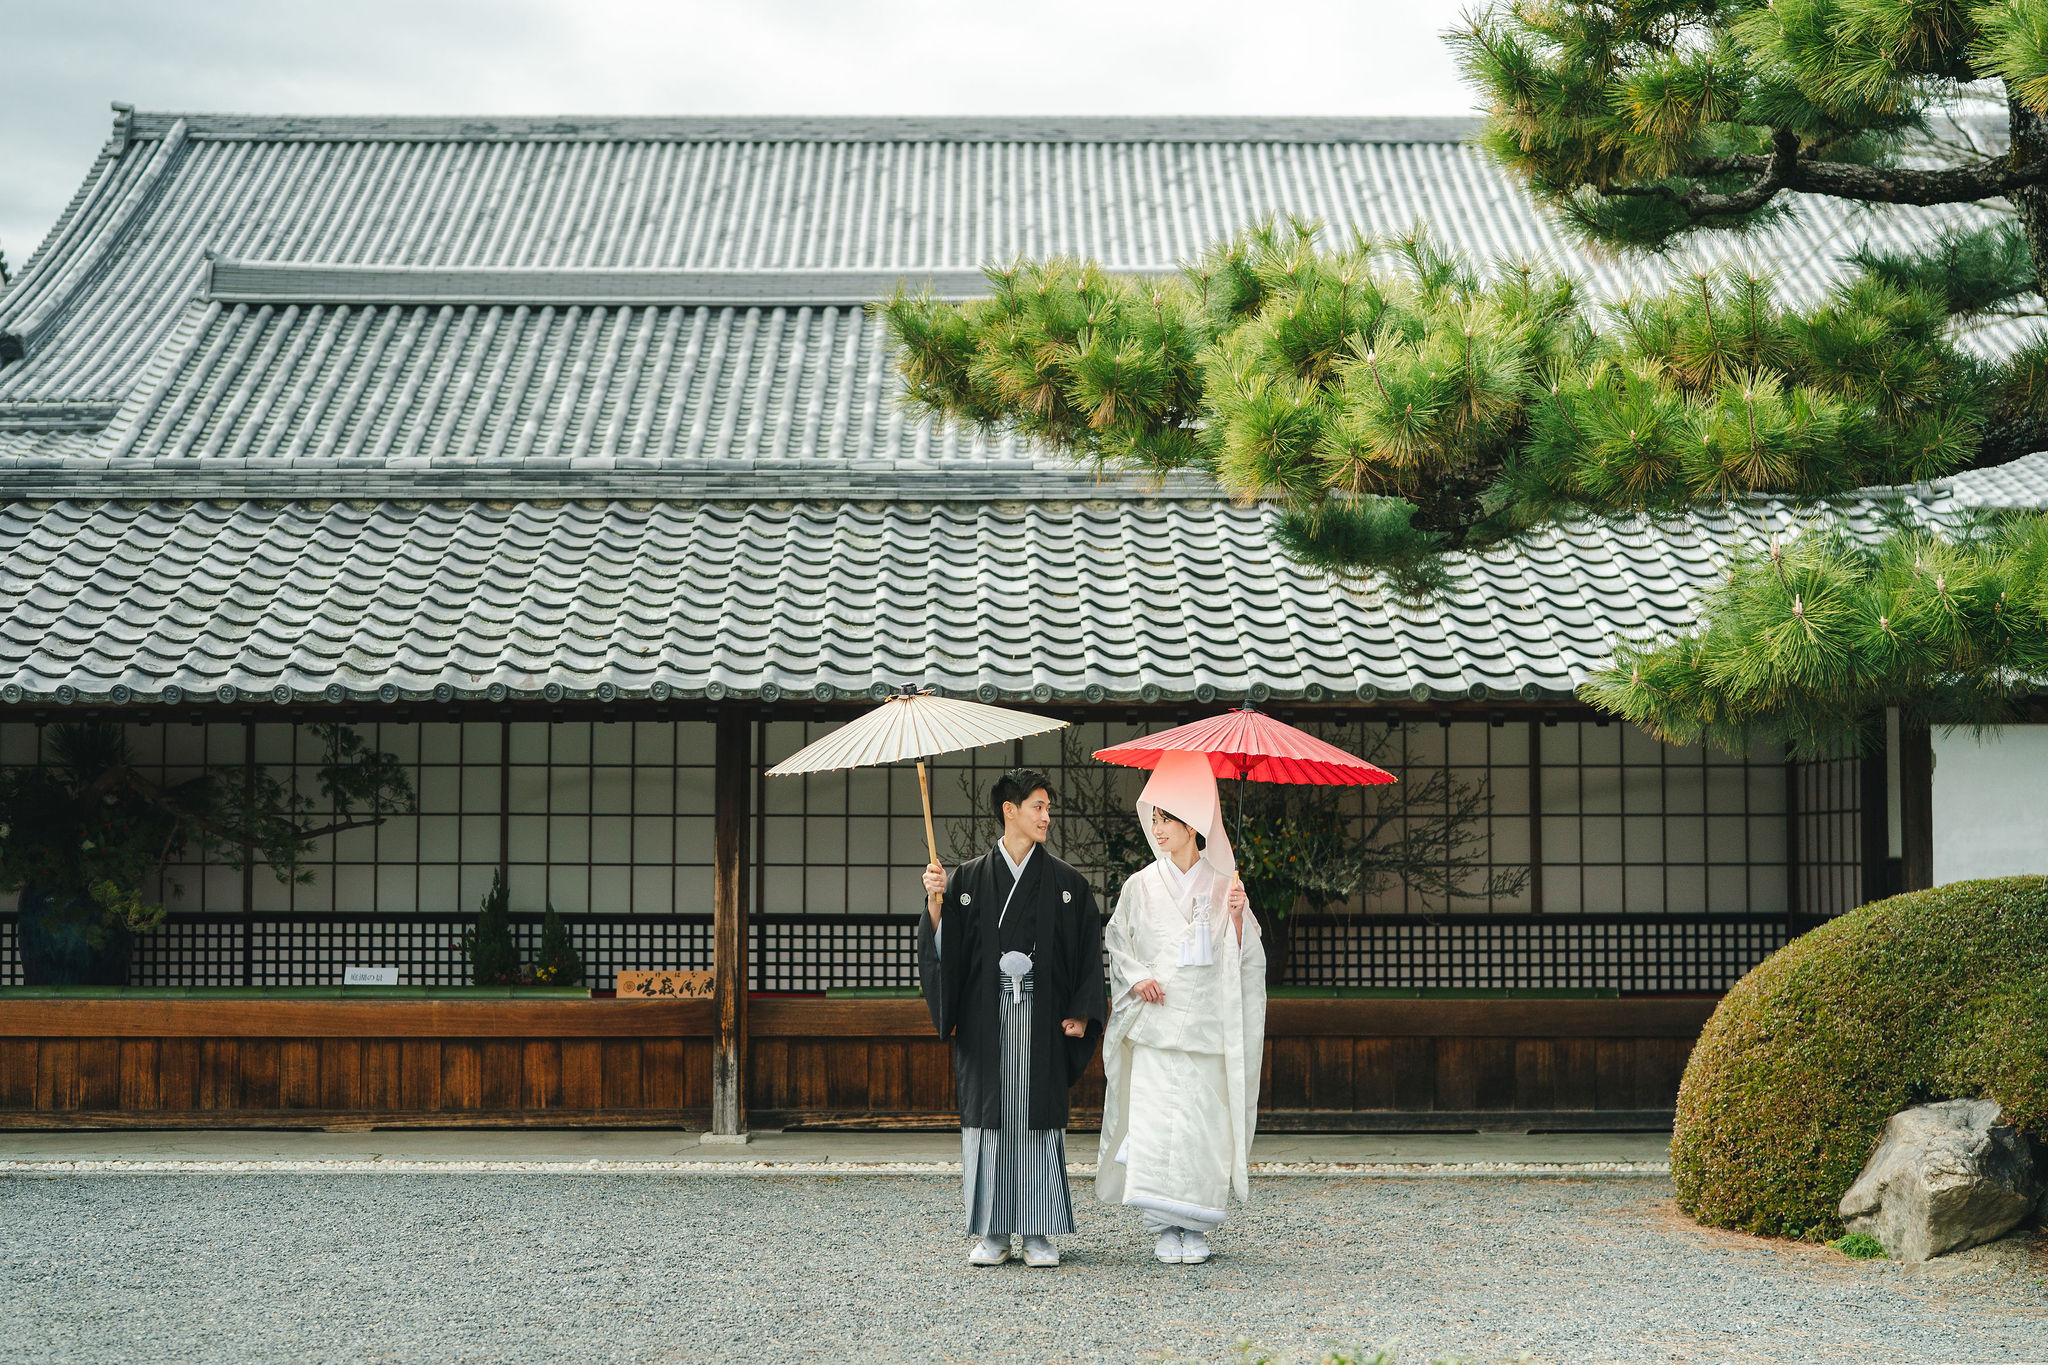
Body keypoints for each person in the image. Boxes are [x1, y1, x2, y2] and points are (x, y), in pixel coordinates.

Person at [918, 768, 1107, 1268]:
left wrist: (1083, 1010)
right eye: (1038, 807)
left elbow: (1088, 950)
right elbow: (948, 952)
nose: (1047, 817)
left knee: (1038, 1122)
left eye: (1048, 808)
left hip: (1043, 1021)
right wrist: (936, 904)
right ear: (1010, 811)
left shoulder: (1067, 883)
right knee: (992, 1123)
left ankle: (1039, 1232)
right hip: (988, 1019)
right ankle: (995, 1232)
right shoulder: (967, 880)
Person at [1096, 750, 1266, 1265]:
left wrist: (1237, 918)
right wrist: (1137, 976)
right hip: (1154, 1025)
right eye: (1155, 817)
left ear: (1193, 825)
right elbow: (1117, 940)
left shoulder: (1224, 885)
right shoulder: (1140, 884)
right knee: (1154, 1128)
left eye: (1167, 817)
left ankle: (1197, 1227)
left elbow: (1247, 960)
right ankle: (1162, 1227)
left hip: (1204, 1026)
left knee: (1198, 1129)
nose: (1158, 827)